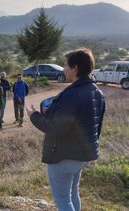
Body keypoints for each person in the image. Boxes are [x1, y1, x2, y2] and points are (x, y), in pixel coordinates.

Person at [26, 48, 105, 211]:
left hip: (64, 156)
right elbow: (95, 125)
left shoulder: (72, 95)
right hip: (83, 155)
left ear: (75, 68)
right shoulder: (97, 92)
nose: (63, 69)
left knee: (62, 200)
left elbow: (55, 128)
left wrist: (34, 115)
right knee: (73, 193)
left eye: (65, 65)